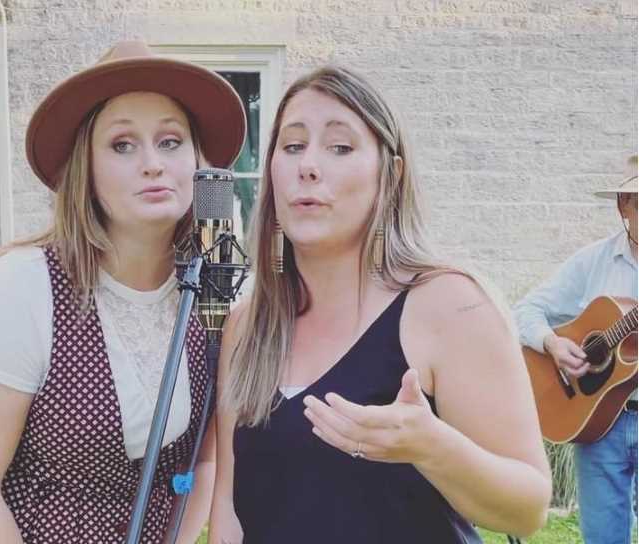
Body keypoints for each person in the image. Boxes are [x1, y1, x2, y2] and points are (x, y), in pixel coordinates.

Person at [207, 66, 551, 544]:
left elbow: (528, 508)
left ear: (391, 174)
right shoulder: (247, 325)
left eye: (340, 147)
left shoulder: (447, 304)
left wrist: (431, 447)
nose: (308, 165)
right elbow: (228, 506)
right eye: (292, 146)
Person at [0, 41, 246, 543]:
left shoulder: (212, 297)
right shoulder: (24, 286)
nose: (152, 163)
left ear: (200, 167)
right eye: (122, 145)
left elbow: (199, 465)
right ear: (87, 170)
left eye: (170, 141)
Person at [514, 154, 638, 544]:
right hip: (599, 423)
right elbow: (525, 310)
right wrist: (551, 342)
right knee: (602, 538)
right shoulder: (593, 261)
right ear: (624, 205)